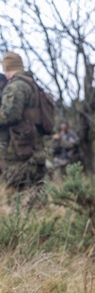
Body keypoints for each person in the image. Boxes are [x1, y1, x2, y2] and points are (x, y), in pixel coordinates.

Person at [0, 51, 47, 195]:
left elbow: (9, 115)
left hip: (19, 149)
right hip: (34, 145)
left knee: (16, 193)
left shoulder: (16, 87)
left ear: (7, 67)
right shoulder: (32, 84)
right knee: (34, 192)